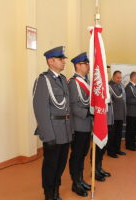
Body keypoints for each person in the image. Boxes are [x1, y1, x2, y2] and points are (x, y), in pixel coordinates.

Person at [33, 46, 73, 200]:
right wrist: (48, 135)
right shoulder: (43, 80)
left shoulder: (63, 79)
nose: (64, 62)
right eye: (61, 59)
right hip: (53, 131)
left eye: (63, 59)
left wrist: (71, 131)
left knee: (61, 164)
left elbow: (67, 107)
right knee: (50, 165)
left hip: (65, 130)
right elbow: (40, 110)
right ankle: (49, 194)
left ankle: (56, 190)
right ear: (51, 61)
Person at [68, 52, 92, 197]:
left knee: (83, 153)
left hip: (86, 124)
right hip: (78, 125)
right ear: (78, 65)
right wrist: (88, 112)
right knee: (76, 155)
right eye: (86, 63)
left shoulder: (85, 81)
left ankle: (80, 179)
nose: (88, 66)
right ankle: (75, 183)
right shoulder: (73, 82)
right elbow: (73, 106)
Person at [107, 71, 127, 158]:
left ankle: (117, 149)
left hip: (121, 113)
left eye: (120, 77)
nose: (119, 79)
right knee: (112, 134)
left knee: (119, 133)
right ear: (113, 77)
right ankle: (111, 151)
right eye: (118, 78)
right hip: (113, 114)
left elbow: (123, 99)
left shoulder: (121, 85)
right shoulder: (109, 86)